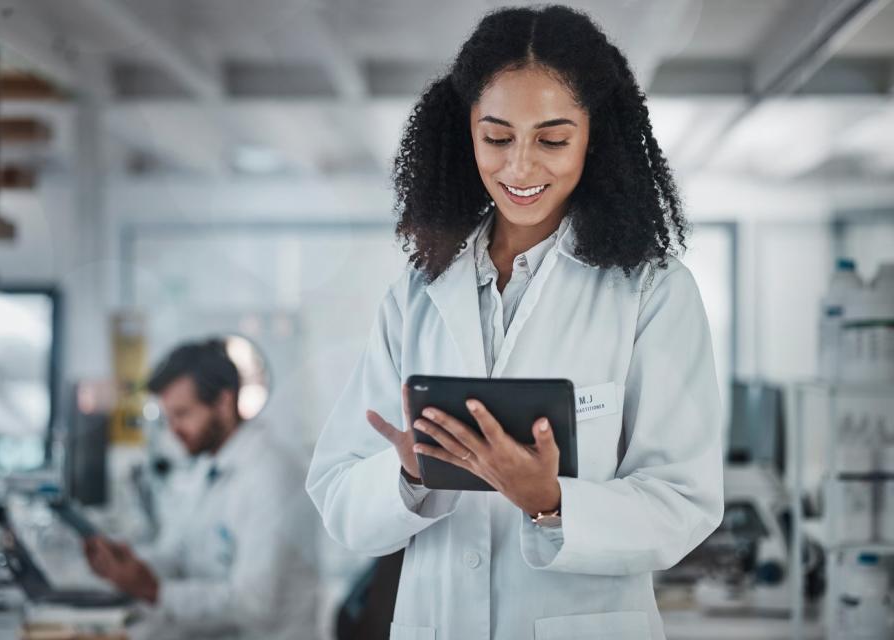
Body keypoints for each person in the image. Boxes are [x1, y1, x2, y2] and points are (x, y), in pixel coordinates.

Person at [306, 6, 724, 640]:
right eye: (496, 138)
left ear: (595, 137)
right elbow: (338, 495)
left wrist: (552, 502)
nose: (521, 168)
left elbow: (684, 501)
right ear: (464, 133)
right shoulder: (415, 295)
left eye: (552, 140)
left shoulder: (651, 291)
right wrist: (409, 476)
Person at [84, 339, 318, 640]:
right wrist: (130, 567)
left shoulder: (271, 477)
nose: (173, 430)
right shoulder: (205, 465)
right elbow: (176, 555)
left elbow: (254, 605)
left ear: (223, 402)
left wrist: (153, 590)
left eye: (183, 414)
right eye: (169, 418)